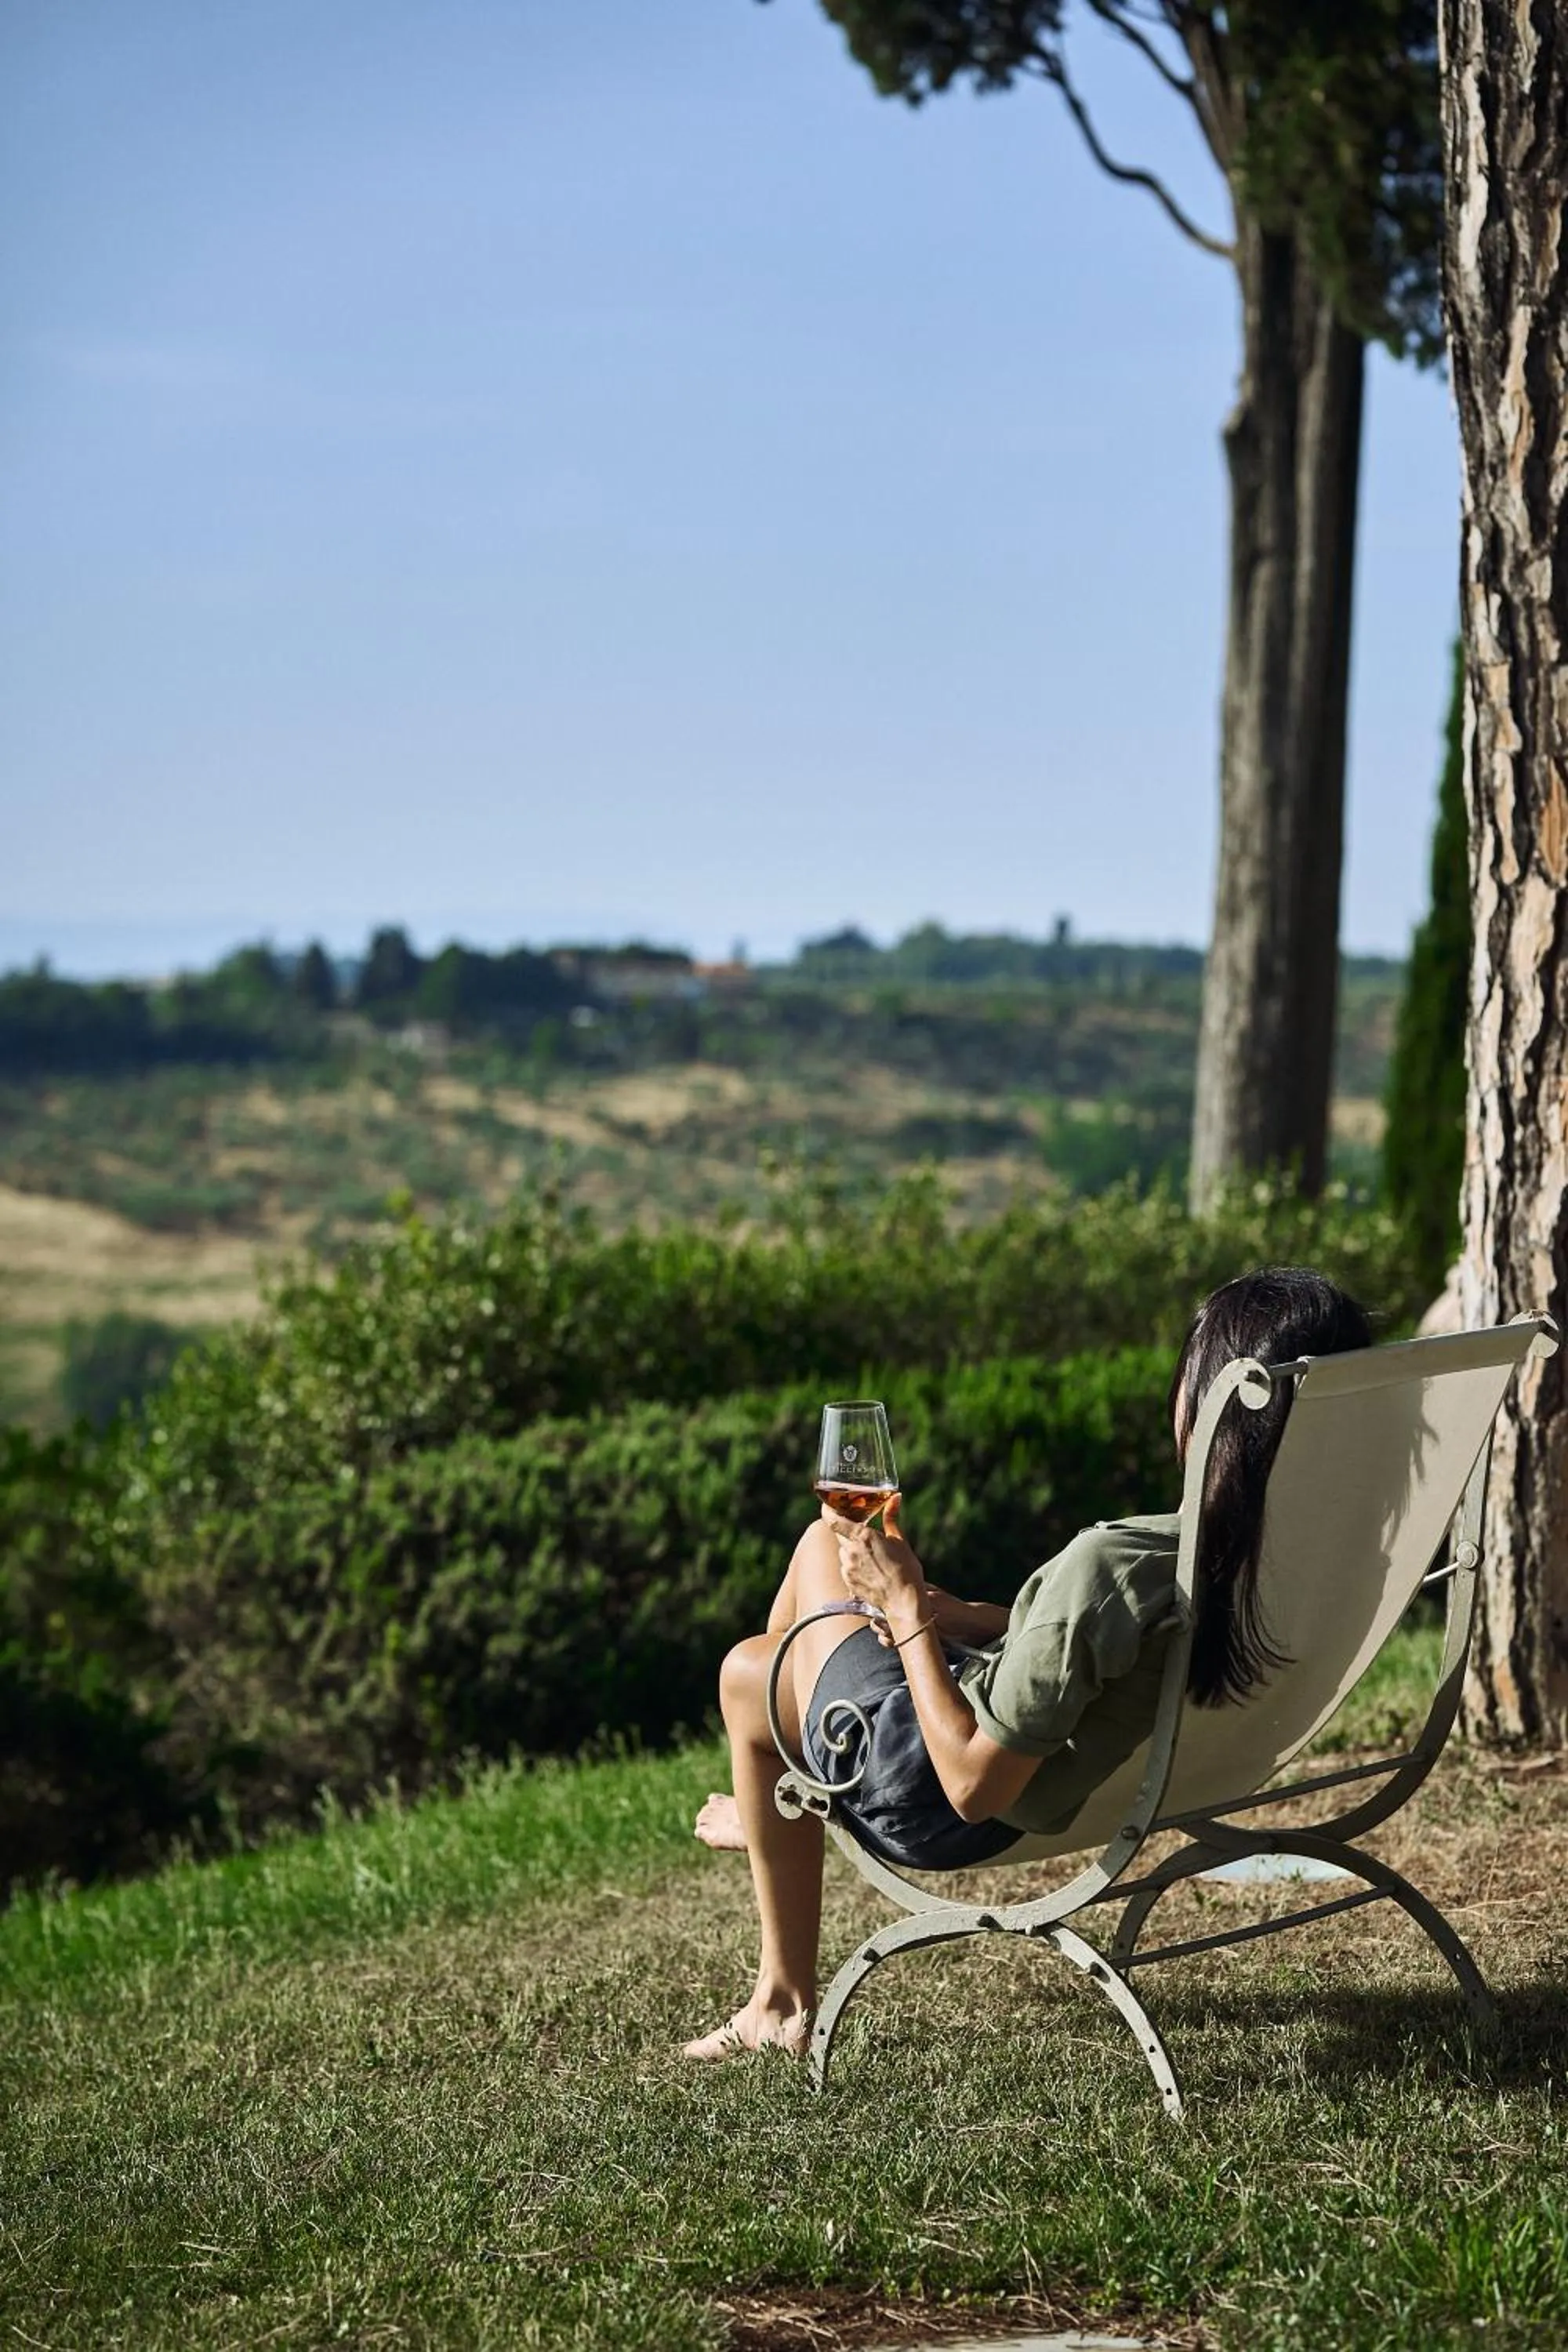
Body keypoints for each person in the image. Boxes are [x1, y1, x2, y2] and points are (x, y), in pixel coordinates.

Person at [681, 1265, 1371, 2061]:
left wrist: (908, 1613)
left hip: (934, 1795)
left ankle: (786, 1854)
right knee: (794, 1620)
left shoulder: (1115, 1562)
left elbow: (973, 1789)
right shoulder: (1284, 1555)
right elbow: (1116, 1648)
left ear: (1212, 1404)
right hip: (1112, 1768)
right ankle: (781, 1805)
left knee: (763, 1644)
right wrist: (971, 1617)